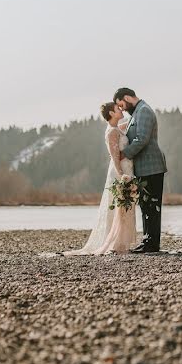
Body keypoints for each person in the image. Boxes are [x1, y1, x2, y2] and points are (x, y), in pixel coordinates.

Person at [64, 102, 137, 255]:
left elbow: (130, 123)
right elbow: (114, 156)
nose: (121, 110)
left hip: (127, 169)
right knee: (118, 206)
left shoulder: (117, 129)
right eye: (118, 109)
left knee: (124, 207)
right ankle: (114, 242)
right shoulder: (111, 132)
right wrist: (121, 176)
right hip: (120, 171)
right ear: (111, 113)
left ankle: (121, 242)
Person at [114, 87, 167, 253]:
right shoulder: (137, 112)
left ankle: (152, 243)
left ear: (128, 97)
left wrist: (124, 154)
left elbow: (141, 139)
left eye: (121, 104)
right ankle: (147, 240)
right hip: (145, 167)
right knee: (145, 204)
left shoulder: (143, 111)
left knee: (152, 204)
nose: (122, 109)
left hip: (151, 166)